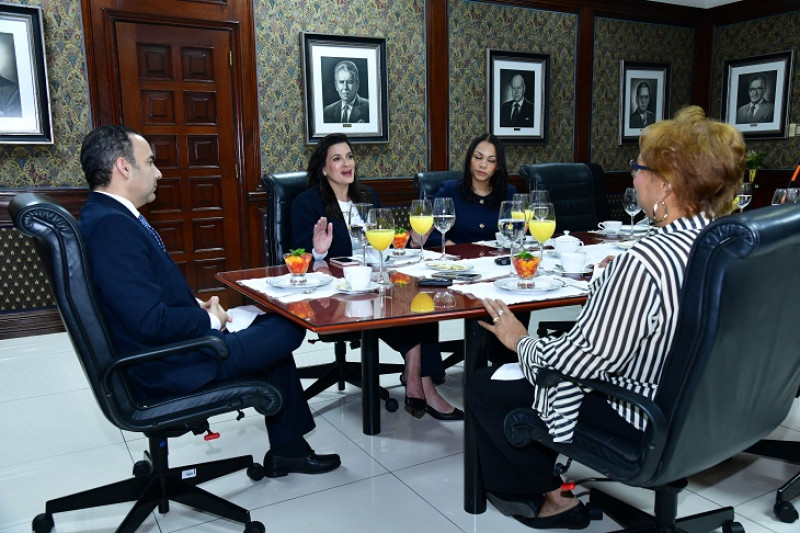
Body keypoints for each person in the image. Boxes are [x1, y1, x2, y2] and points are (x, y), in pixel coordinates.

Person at [466, 106, 743, 530]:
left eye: (639, 167)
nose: (634, 176)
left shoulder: (647, 260)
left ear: (665, 185)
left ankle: (533, 499)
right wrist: (615, 283)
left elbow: (581, 362)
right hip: (709, 411)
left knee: (485, 386)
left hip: (646, 416)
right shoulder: (725, 243)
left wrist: (519, 339)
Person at [79, 125, 341, 478]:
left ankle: (288, 449)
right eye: (151, 163)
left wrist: (197, 309)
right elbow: (147, 321)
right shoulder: (112, 226)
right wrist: (209, 322)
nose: (158, 173)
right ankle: (289, 448)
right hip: (167, 364)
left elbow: (138, 302)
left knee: (267, 325)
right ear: (124, 168)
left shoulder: (102, 216)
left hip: (165, 349)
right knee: (287, 325)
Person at [291, 132, 463, 421]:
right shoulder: (307, 204)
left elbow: (381, 248)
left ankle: (418, 377)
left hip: (376, 284)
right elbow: (298, 259)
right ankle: (420, 381)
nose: (346, 164)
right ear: (324, 168)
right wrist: (318, 252)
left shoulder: (368, 197)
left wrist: (415, 242)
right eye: (337, 159)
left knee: (421, 297)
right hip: (338, 294)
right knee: (399, 305)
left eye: (349, 156)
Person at [426, 133, 517, 247]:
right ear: (470, 158)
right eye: (478, 157)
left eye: (491, 160)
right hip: (456, 261)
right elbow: (427, 230)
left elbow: (518, 232)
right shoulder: (449, 190)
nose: (483, 165)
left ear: (498, 166)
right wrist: (449, 246)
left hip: (496, 261)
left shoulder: (508, 193)